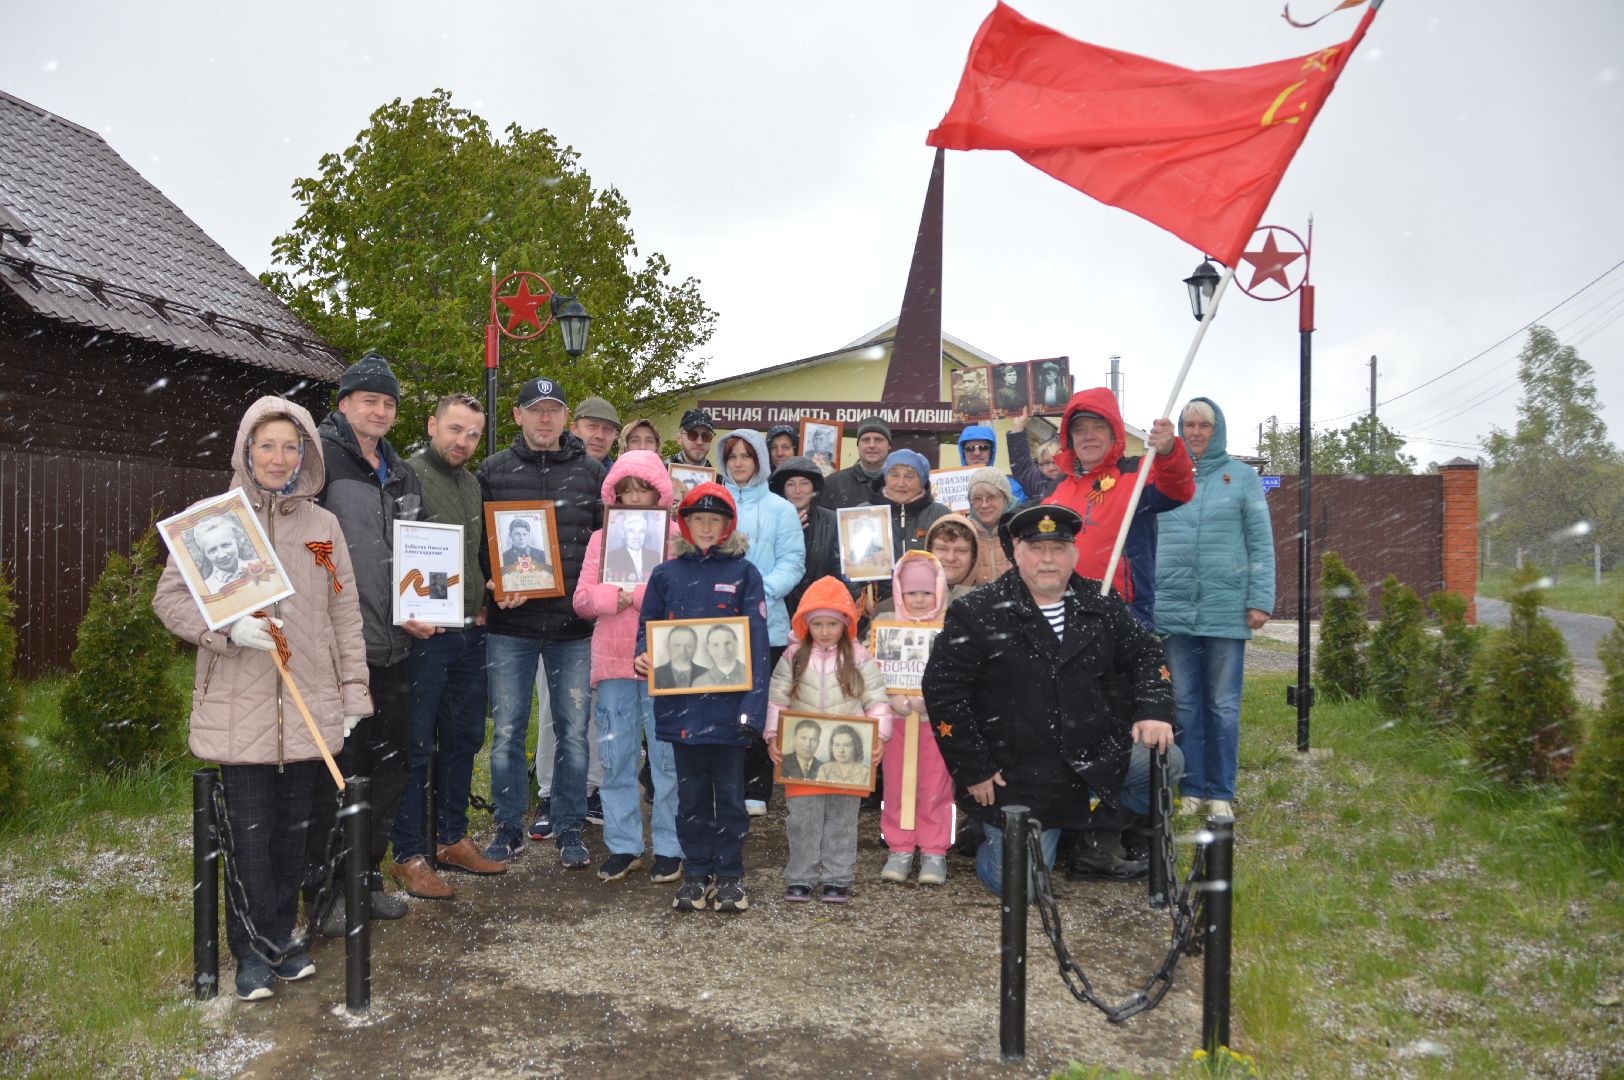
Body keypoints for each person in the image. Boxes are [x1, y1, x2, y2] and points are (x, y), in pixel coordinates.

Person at [154, 396, 370, 1001]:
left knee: (293, 836)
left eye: (290, 446)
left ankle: (281, 938)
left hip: (308, 703)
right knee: (248, 837)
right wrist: (224, 633)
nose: (279, 458)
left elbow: (342, 607)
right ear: (247, 449)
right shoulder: (211, 520)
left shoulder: (322, 530)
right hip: (239, 706)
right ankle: (250, 953)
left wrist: (353, 692)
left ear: (306, 454)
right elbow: (170, 601)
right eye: (267, 445)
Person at [922, 504, 1183, 896]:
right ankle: (984, 834)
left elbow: (1147, 654)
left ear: (1074, 554)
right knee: (1022, 887)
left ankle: (1095, 839)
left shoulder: (1102, 603)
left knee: (1165, 760)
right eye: (1037, 548)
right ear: (1017, 551)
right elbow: (943, 690)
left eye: (1058, 548)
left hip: (1092, 754)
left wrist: (1153, 709)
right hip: (1017, 773)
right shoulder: (977, 611)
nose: (1048, 559)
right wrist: (973, 767)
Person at [307, 350, 427, 929]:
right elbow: (308, 546)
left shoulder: (400, 472)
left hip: (397, 645)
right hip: (339, 650)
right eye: (369, 400)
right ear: (344, 404)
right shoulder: (319, 461)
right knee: (338, 772)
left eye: (388, 403)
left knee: (390, 770)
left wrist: (426, 603)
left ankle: (366, 879)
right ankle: (328, 895)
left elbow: (419, 553)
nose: (379, 410)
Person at [478, 376, 605, 868]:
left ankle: (570, 826)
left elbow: (603, 544)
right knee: (508, 731)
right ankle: (508, 825)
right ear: (518, 416)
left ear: (565, 417)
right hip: (513, 627)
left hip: (573, 627)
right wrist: (494, 582)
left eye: (553, 409)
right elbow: (481, 544)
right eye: (535, 410)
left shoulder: (592, 471)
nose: (545, 419)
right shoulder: (493, 471)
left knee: (573, 731)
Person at [389, 393, 507, 900]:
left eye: (473, 434)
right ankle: (408, 852)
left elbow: (476, 554)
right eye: (455, 430)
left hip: (470, 633)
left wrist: (487, 593)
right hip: (424, 638)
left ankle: (451, 837)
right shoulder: (407, 476)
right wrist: (404, 610)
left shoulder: (472, 483)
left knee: (463, 741)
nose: (463, 442)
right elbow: (394, 548)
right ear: (432, 425)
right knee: (416, 746)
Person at [635, 483, 769, 913]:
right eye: (698, 520)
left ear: (728, 526)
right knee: (689, 797)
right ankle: (695, 874)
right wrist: (643, 653)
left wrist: (752, 707)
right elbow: (649, 625)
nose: (707, 528)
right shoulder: (665, 575)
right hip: (682, 710)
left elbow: (758, 646)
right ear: (685, 525)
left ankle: (729, 875)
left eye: (715, 521)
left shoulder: (745, 574)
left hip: (729, 712)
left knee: (729, 796)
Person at [1154, 398, 1275, 820]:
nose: (1196, 432)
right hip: (1174, 605)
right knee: (1184, 703)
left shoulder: (1242, 478)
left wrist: (1260, 598)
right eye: (1189, 424)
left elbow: (1261, 541)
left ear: (1217, 428)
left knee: (1222, 704)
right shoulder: (1165, 478)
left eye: (1204, 424)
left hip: (1226, 608)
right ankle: (1190, 786)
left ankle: (1220, 791)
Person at [573, 450, 685, 884]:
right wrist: (607, 599)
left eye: (643, 490)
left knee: (666, 760)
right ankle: (623, 845)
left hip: (662, 660)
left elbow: (681, 597)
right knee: (615, 758)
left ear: (659, 492)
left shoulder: (675, 537)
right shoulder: (601, 539)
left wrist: (636, 595)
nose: (635, 499)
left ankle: (671, 846)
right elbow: (581, 600)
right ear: (614, 496)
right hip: (612, 663)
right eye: (626, 492)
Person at [766, 578, 890, 902]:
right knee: (802, 818)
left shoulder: (859, 656)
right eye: (817, 623)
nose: (824, 631)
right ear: (806, 624)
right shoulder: (793, 656)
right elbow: (777, 698)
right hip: (801, 752)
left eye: (832, 624)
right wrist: (773, 735)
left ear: (845, 623)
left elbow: (877, 699)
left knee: (842, 819)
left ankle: (838, 876)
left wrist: (879, 735)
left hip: (848, 755)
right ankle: (801, 876)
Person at [1043, 387, 1194, 630]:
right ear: (1070, 439)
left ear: (1114, 434)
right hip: (1062, 612)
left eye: (1098, 427)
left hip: (1124, 613)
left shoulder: (1137, 474)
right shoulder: (1055, 488)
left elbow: (1178, 491)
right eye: (1080, 430)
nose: (1088, 436)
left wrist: (1169, 453)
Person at [717, 429, 806, 816]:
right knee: (721, 703)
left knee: (760, 706)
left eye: (746, 456)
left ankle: (756, 785)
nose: (739, 462)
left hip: (766, 623)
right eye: (732, 455)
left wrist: (756, 592)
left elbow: (793, 563)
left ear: (760, 461)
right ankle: (723, 782)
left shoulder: (780, 509)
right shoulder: (711, 503)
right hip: (717, 625)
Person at [877, 551, 955, 886]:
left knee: (937, 786)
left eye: (926, 592)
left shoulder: (949, 629)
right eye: (912, 593)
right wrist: (891, 696)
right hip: (898, 722)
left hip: (935, 726)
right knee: (896, 785)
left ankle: (935, 850)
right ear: (900, 593)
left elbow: (958, 677)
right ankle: (899, 846)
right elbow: (872, 672)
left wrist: (932, 701)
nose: (920, 599)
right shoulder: (885, 627)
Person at [769, 455, 849, 618]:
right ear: (782, 489)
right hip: (779, 613)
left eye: (804, 483)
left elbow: (841, 572)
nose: (798, 490)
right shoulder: (769, 521)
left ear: (814, 488)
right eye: (790, 484)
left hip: (822, 613)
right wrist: (788, 533)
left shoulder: (833, 522)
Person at [881, 449, 951, 564]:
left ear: (921, 482)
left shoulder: (940, 515)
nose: (901, 483)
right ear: (885, 478)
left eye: (909, 476)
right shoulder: (866, 514)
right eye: (894, 475)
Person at [819, 416, 891, 511]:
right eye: (866, 440)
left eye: (878, 440)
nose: (872, 445)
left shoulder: (900, 484)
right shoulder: (833, 483)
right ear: (858, 445)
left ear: (889, 445)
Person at [965, 467, 1018, 586]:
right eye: (977, 498)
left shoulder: (1019, 531)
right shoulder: (964, 534)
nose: (984, 505)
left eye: (991, 497)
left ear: (1006, 499)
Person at [956, 424, 1026, 501]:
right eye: (970, 448)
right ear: (963, 453)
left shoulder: (1011, 487)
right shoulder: (950, 487)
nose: (977, 453)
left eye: (983, 448)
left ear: (992, 452)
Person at [1007, 407, 1064, 500]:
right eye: (1046, 463)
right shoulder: (1037, 483)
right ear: (1040, 465)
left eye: (1057, 461)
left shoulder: (1079, 480)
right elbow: (1022, 465)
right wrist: (1018, 428)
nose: (1052, 468)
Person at [923, 514, 980, 602]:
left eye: (961, 551)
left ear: (974, 556)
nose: (950, 558)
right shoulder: (906, 599)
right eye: (942, 549)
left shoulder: (987, 601)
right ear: (929, 552)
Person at [603, 508, 662, 585]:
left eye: (641, 531)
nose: (637, 537)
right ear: (623, 534)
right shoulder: (611, 557)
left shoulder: (655, 556)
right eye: (631, 531)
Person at [193, 516, 245, 593]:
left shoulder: (262, 565)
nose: (222, 555)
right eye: (212, 550)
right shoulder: (207, 588)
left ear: (237, 542)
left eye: (226, 545)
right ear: (205, 554)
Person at [571, 396, 621, 464]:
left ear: (615, 435)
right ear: (574, 429)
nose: (600, 436)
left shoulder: (621, 474)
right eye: (592, 426)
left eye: (607, 429)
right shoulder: (552, 470)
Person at [652, 625, 702, 689]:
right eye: (677, 645)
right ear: (668, 646)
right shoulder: (654, 674)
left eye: (688, 646)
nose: (682, 651)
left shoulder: (706, 674)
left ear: (695, 648)